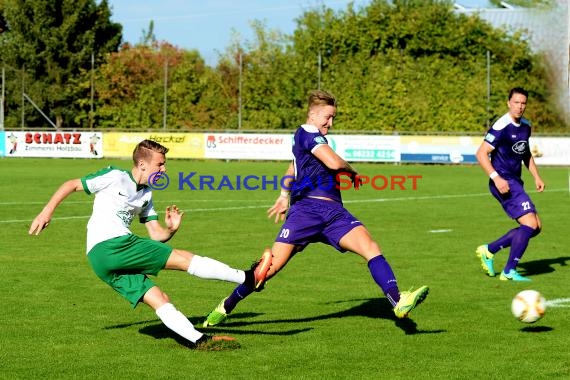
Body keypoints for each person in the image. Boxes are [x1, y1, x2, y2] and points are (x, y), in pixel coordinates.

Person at [203, 89, 429, 328]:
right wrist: (351, 170)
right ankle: (225, 306)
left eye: (333, 118)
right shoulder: (309, 133)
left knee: (370, 247)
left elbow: (293, 167)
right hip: (307, 211)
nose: (330, 123)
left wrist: (282, 195)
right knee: (267, 270)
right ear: (313, 114)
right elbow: (333, 162)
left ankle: (398, 301)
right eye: (327, 117)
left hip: (334, 215)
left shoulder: (307, 137)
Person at [28, 139, 272, 350]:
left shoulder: (146, 194)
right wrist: (46, 212)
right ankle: (249, 278)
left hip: (101, 260)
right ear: (142, 164)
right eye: (160, 164)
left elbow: (156, 235)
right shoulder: (115, 177)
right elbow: (71, 184)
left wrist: (171, 229)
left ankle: (198, 341)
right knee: (183, 259)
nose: (164, 169)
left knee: (159, 298)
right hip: (112, 245)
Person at [475, 87, 545, 282]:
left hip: (515, 181)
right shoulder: (501, 126)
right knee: (530, 223)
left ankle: (489, 250)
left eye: (523, 103)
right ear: (509, 103)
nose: (520, 106)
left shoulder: (526, 126)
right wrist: (496, 178)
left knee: (536, 226)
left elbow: (525, 153)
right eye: (516, 102)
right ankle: (509, 271)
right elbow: (481, 154)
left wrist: (536, 176)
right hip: (503, 181)